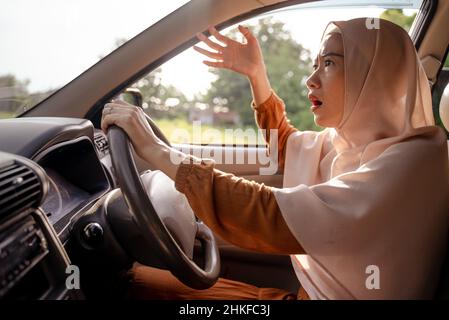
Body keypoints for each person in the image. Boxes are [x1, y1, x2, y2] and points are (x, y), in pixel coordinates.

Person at [101, 18, 449, 299]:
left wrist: (158, 151)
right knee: (137, 280)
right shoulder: (353, 143)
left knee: (128, 285)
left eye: (329, 63)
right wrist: (257, 76)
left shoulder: (415, 162)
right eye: (315, 64)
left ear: (377, 73)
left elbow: (271, 217)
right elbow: (289, 146)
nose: (310, 79)